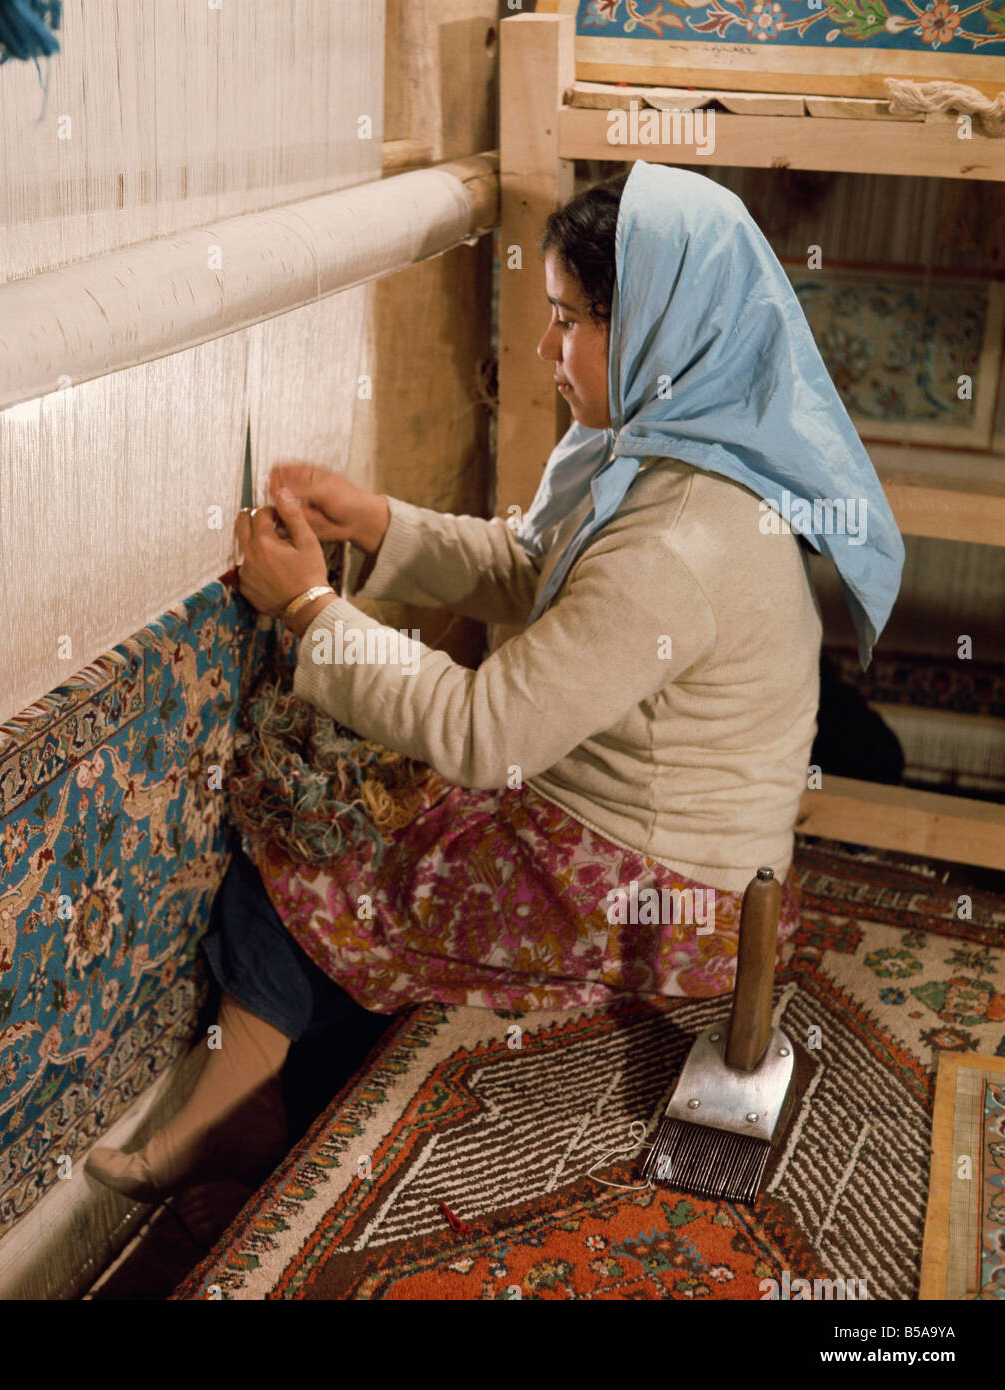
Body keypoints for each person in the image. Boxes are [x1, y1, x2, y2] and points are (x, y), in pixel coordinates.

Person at [85, 160, 904, 1205]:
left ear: (651, 325)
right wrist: (376, 521)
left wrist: (305, 611)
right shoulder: (672, 455)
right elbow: (535, 568)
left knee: (309, 833)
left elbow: (483, 732)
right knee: (362, 804)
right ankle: (268, 1111)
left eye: (568, 321)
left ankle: (222, 1128)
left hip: (648, 901)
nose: (542, 349)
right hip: (651, 856)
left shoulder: (683, 538)